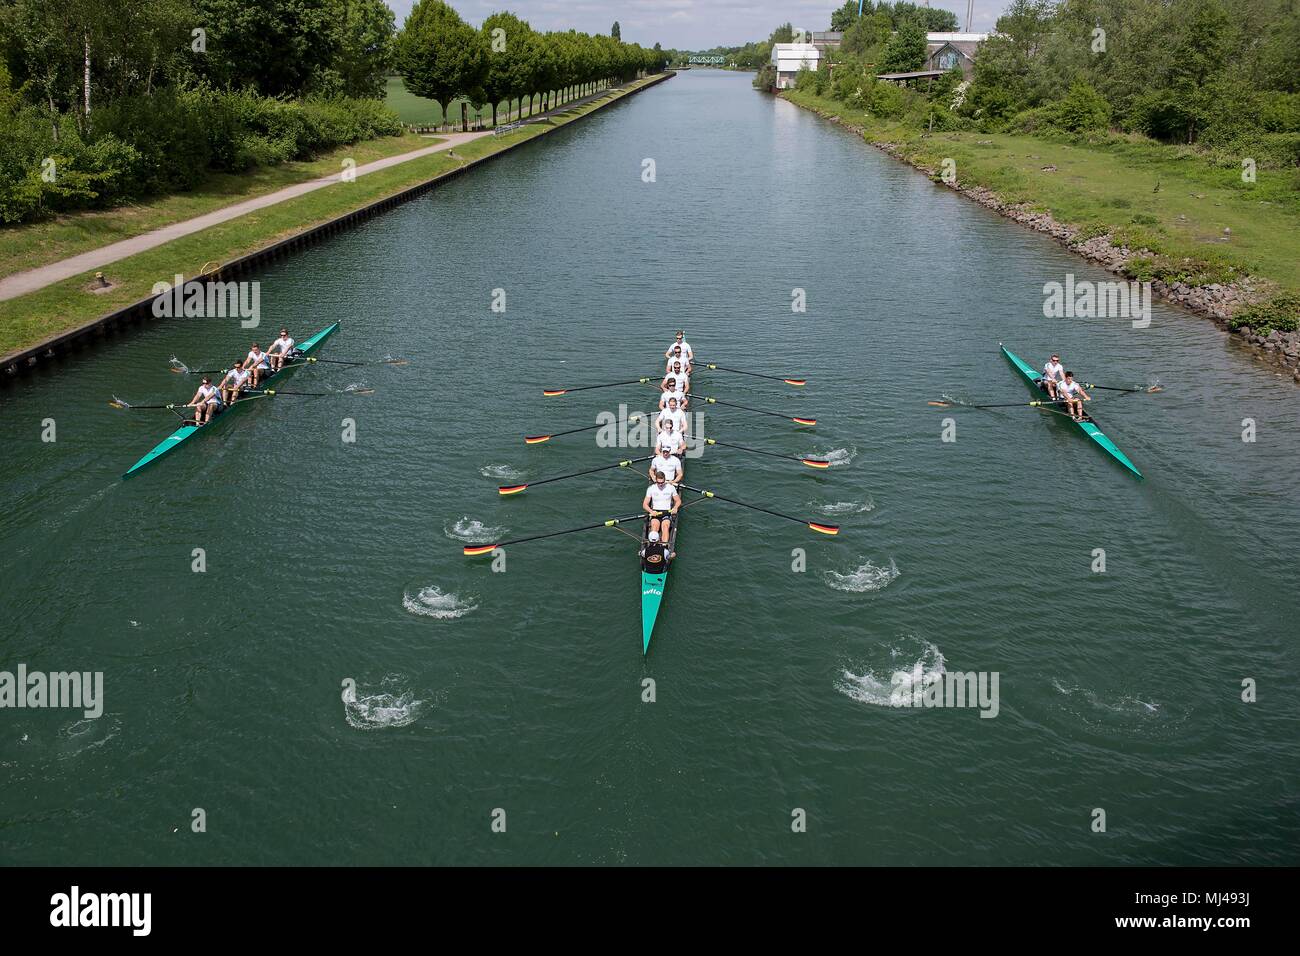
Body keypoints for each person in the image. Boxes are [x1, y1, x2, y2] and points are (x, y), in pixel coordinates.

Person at [642, 471, 681, 546]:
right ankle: (652, 546)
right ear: (655, 480)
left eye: (662, 482)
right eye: (658, 482)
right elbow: (645, 504)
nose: (660, 484)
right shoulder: (651, 488)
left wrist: (675, 508)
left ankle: (664, 547)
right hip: (655, 512)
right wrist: (651, 511)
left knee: (665, 526)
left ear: (664, 480)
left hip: (667, 512)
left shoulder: (671, 487)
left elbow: (678, 501)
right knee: (654, 527)